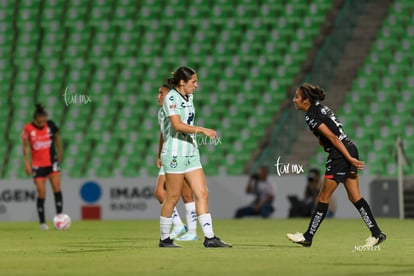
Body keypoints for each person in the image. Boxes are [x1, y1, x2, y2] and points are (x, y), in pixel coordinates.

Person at [287, 83, 386, 247]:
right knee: (354, 196)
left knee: (324, 197)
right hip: (350, 147)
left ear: (306, 101)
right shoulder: (320, 108)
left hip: (340, 154)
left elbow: (333, 138)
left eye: (297, 97)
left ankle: (308, 236)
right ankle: (376, 233)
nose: (294, 100)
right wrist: (348, 154)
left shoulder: (311, 115)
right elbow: (329, 134)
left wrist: (348, 158)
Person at [159, 66, 231, 248]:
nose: (197, 85)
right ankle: (164, 239)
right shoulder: (171, 98)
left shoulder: (189, 97)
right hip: (175, 153)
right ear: (182, 82)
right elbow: (177, 125)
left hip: (191, 151)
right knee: (173, 196)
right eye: (194, 82)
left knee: (202, 193)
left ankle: (209, 237)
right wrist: (202, 130)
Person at [155, 83, 198, 241]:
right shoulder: (161, 112)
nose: (158, 96)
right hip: (169, 152)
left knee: (185, 194)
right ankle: (181, 226)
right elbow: (163, 133)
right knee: (161, 192)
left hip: (180, 152)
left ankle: (190, 231)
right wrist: (159, 154)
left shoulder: (176, 107)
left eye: (161, 93)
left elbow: (181, 126)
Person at [21, 104, 64, 230]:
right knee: (41, 192)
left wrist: (60, 151)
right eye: (41, 119)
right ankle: (42, 223)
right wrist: (26, 163)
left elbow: (57, 137)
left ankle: (59, 219)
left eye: (45, 118)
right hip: (38, 165)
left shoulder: (51, 125)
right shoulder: (28, 128)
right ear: (36, 118)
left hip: (52, 162)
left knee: (56, 188)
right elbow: (25, 146)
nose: (43, 121)